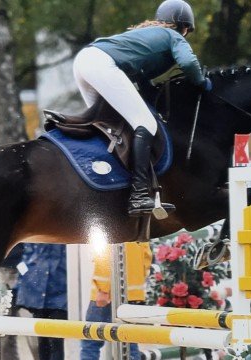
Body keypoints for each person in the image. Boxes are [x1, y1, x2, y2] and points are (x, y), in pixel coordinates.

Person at [72, 0, 212, 217]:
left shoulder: (147, 35)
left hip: (84, 62)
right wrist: (201, 82)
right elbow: (188, 63)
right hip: (101, 65)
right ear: (183, 26)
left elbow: (140, 78)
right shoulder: (173, 36)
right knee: (145, 123)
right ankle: (138, 196)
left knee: (110, 127)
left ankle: (102, 181)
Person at [46, 242, 152, 360]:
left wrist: (103, 288)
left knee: (90, 344)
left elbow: (105, 253)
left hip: (109, 291)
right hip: (134, 292)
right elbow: (147, 257)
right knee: (130, 345)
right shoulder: (138, 222)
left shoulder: (112, 218)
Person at [13, 243, 68, 360]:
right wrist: (25, 279)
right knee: (42, 340)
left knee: (56, 340)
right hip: (38, 290)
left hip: (59, 290)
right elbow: (24, 257)